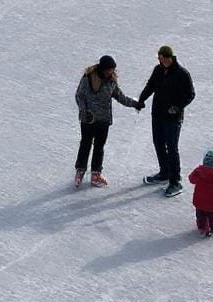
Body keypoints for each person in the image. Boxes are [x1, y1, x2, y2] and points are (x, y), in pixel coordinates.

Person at [138, 45, 196, 197]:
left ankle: (175, 181)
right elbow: (150, 86)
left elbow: (190, 94)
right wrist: (141, 99)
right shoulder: (158, 70)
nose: (162, 61)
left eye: (164, 59)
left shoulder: (182, 74)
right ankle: (164, 172)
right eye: (160, 59)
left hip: (172, 118)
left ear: (171, 57)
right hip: (157, 114)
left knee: (171, 147)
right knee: (158, 143)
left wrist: (177, 107)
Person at [73, 55, 139, 187]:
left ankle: (96, 174)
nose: (111, 72)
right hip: (88, 119)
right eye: (109, 69)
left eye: (113, 69)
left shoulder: (111, 81)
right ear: (102, 69)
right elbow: (79, 96)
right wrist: (84, 112)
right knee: (85, 144)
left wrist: (135, 104)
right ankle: (80, 170)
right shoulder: (88, 78)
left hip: (103, 119)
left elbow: (120, 97)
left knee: (99, 146)